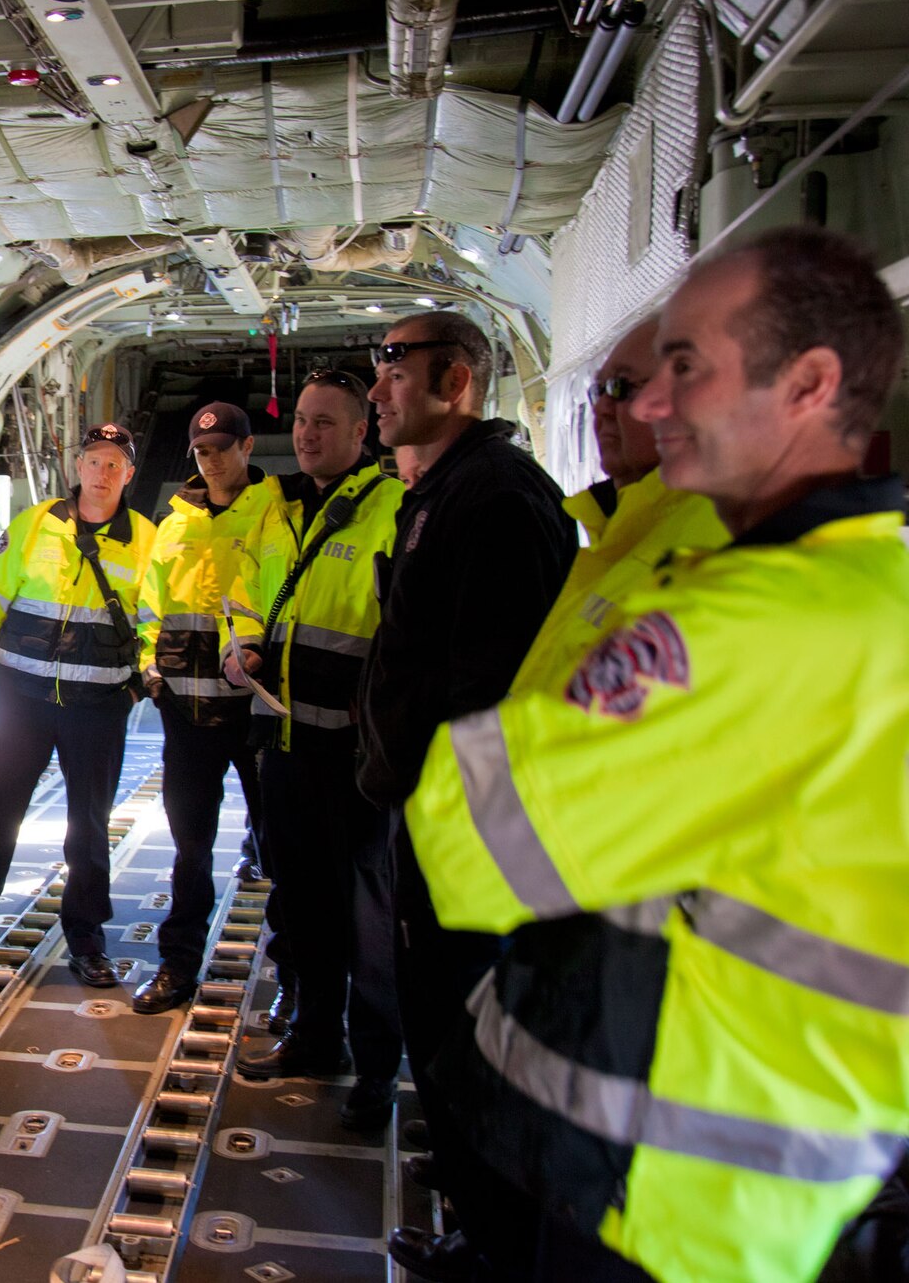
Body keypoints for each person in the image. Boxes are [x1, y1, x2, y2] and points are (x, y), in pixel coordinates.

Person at [403, 226, 909, 1282]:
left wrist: (496, 754)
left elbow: (472, 829)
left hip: (679, 1189)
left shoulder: (768, 619)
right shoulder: (860, 588)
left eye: (684, 367)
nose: (643, 406)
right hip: (731, 1160)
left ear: (808, 383)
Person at [354, 310, 577, 1280]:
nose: (375, 388)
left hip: (471, 831)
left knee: (472, 1038)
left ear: (455, 384)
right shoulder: (438, 494)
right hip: (435, 817)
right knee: (441, 1031)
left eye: (392, 367)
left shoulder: (493, 500)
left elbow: (487, 691)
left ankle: (493, 1251)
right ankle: (477, 1235)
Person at [230, 372, 406, 1136]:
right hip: (288, 742)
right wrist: (241, 645)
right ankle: (313, 1036)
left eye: (325, 423)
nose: (306, 434)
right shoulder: (276, 507)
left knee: (367, 920)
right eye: (301, 421)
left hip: (355, 756)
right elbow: (246, 590)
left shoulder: (392, 510)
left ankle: (375, 1069)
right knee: (302, 902)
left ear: (361, 432)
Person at [0, 424, 158, 988]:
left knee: (88, 826)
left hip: (99, 705)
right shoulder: (36, 525)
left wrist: (138, 683)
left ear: (129, 474)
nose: (103, 473)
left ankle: (86, 941)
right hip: (22, 701)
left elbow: (159, 618)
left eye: (115, 464)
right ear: (78, 465)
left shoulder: (147, 541)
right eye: (95, 461)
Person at [130, 403, 273, 1014]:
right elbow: (149, 605)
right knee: (189, 847)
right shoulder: (175, 523)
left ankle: (293, 977)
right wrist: (147, 663)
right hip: (186, 711)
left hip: (255, 709)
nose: (212, 460)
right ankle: (177, 966)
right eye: (201, 451)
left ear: (246, 448)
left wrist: (262, 653)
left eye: (222, 448)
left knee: (279, 842)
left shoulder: (277, 513)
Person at [508, 317, 728, 695]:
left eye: (621, 388)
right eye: (598, 393)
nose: (603, 410)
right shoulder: (621, 537)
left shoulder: (710, 551)